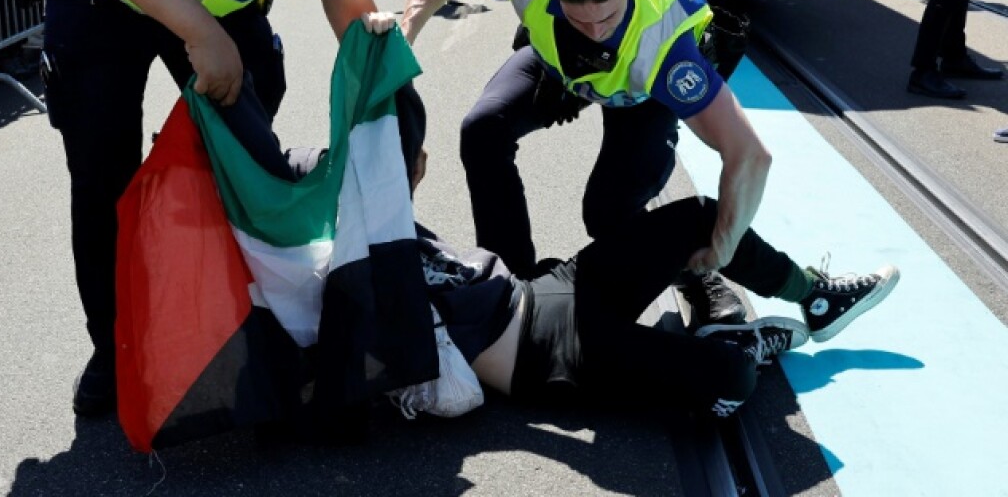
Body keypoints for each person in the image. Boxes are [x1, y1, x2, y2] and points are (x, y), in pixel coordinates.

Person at [51, 0, 389, 418]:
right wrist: (201, 35)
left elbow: (353, 14)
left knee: (249, 154)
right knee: (102, 177)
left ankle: (227, 314)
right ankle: (113, 348)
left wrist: (392, 115)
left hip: (218, 5)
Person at [286, 91, 898, 421]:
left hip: (554, 287)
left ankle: (813, 295)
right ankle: (734, 343)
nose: (408, 173)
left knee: (702, 216)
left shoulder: (386, 218)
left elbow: (298, 160)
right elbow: (416, 395)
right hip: (557, 357)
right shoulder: (347, 273)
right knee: (727, 383)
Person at [400, 0, 772, 331]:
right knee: (483, 129)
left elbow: (750, 154)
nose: (595, 31)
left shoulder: (668, 44)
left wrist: (720, 248)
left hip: (641, 94)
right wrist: (404, 34)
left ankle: (696, 278)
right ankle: (512, 279)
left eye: (607, 19)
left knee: (607, 212)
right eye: (580, 19)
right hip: (561, 68)